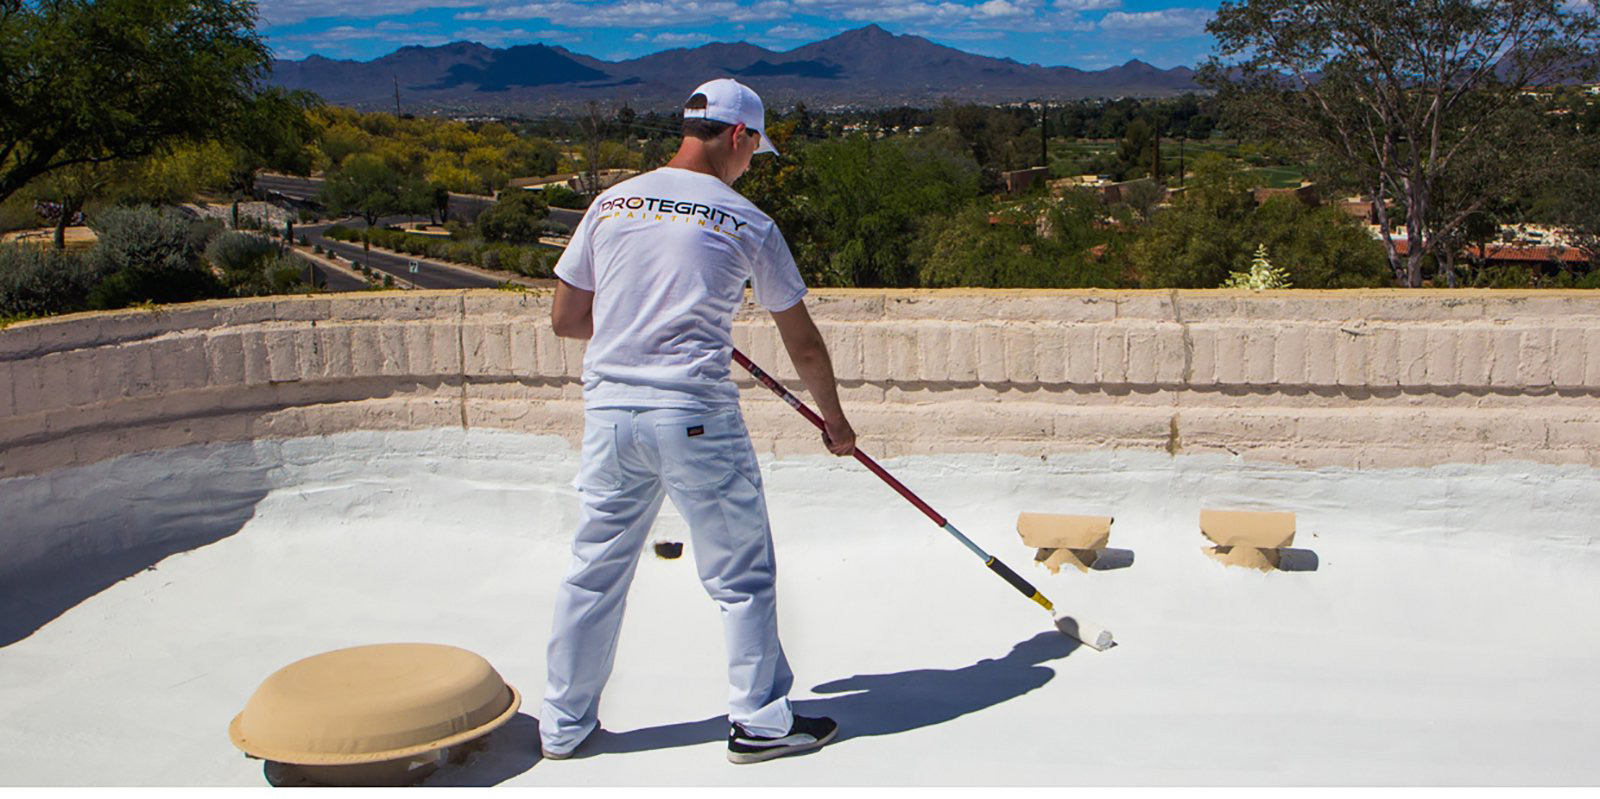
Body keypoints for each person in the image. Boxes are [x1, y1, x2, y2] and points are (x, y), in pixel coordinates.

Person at [540, 77, 857, 765]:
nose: (751, 164)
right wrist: (835, 422)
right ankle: (762, 724)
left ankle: (562, 725)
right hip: (693, 417)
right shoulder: (746, 220)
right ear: (738, 136)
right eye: (754, 151)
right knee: (741, 574)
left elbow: (568, 319)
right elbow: (802, 341)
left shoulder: (609, 202)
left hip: (612, 415)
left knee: (594, 569)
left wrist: (636, 322)